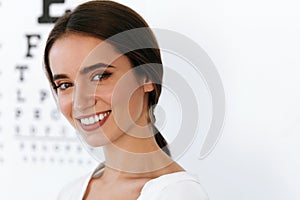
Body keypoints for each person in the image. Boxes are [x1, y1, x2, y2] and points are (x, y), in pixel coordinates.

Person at [43, 0, 209, 199]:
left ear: (147, 77)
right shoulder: (71, 192)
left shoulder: (176, 194)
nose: (80, 102)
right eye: (65, 85)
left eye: (99, 76)